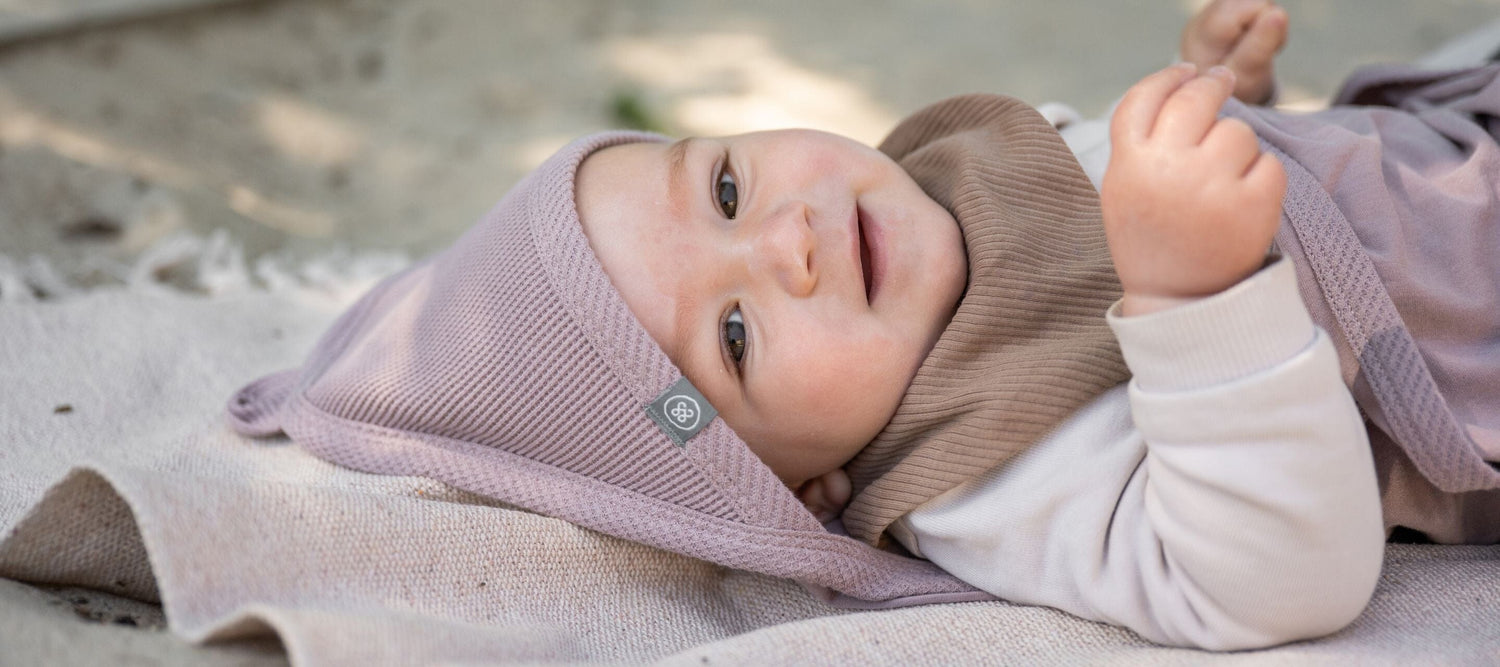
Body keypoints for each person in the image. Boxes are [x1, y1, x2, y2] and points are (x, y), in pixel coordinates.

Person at [227, 0, 1500, 652]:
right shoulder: (985, 472)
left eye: (724, 186)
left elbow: (1078, 210)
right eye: (732, 338)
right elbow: (1270, 577)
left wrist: (1222, 108)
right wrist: (1191, 294)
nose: (784, 241)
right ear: (806, 485)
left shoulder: (935, 182)